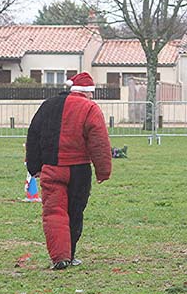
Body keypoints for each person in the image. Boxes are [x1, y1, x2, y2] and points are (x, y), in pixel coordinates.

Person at [26, 72, 112, 270]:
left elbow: (33, 135)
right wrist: (103, 171)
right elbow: (99, 141)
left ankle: (59, 258)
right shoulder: (90, 108)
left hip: (51, 168)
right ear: (87, 92)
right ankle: (71, 255)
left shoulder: (47, 105)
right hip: (79, 169)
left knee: (54, 212)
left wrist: (34, 167)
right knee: (74, 212)